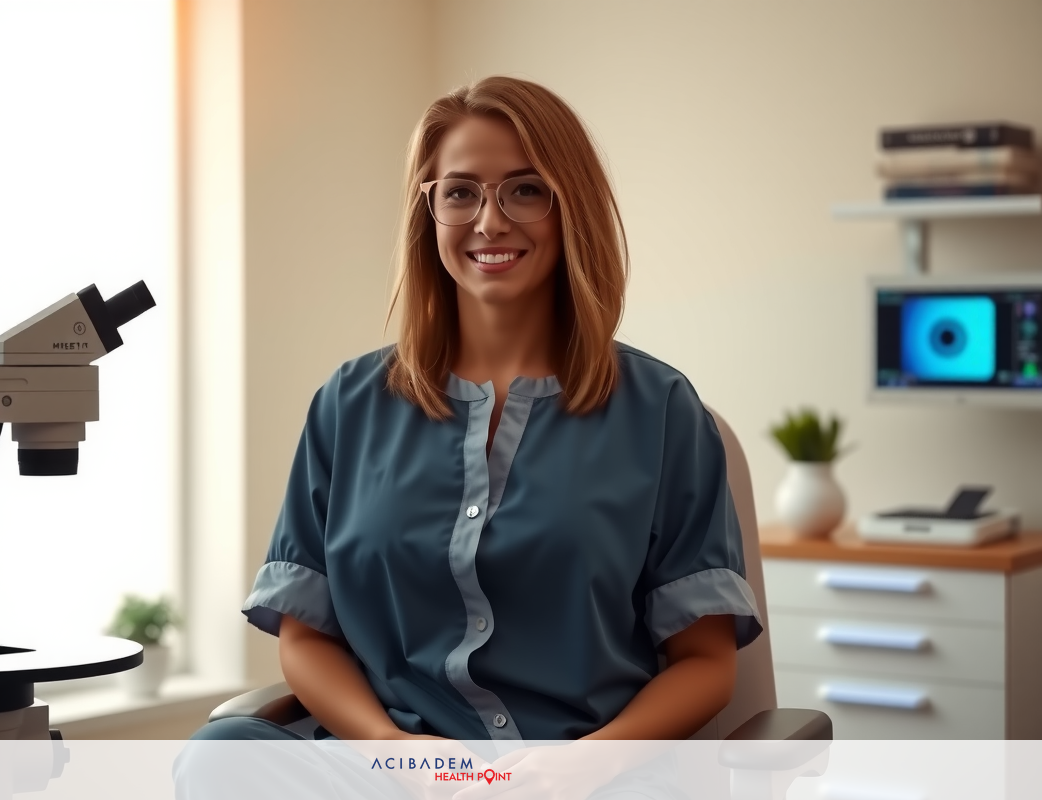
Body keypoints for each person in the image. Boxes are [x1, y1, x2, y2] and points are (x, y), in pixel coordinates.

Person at [172, 75, 763, 800]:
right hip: (388, 772)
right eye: (460, 193)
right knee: (220, 754)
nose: (489, 221)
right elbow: (307, 635)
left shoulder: (662, 409)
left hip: (585, 772)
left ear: (568, 205)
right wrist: (390, 751)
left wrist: (586, 765)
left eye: (525, 190)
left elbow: (705, 662)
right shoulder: (348, 404)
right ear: (429, 212)